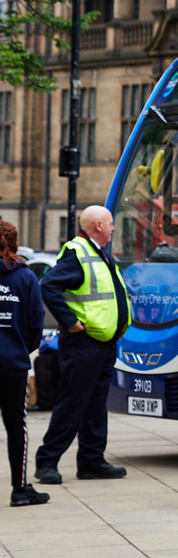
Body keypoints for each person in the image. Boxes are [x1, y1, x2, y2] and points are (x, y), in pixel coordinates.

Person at [34, 205, 131, 486]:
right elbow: (48, 286)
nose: (114, 228)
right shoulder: (78, 253)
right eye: (111, 223)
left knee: (96, 403)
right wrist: (70, 321)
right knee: (73, 401)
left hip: (102, 342)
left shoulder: (99, 252)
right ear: (98, 225)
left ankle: (91, 461)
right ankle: (47, 462)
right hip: (83, 343)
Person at [1, 222, 48, 507]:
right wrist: (20, 349)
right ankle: (20, 489)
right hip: (12, 365)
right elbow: (35, 326)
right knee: (16, 427)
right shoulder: (26, 278)